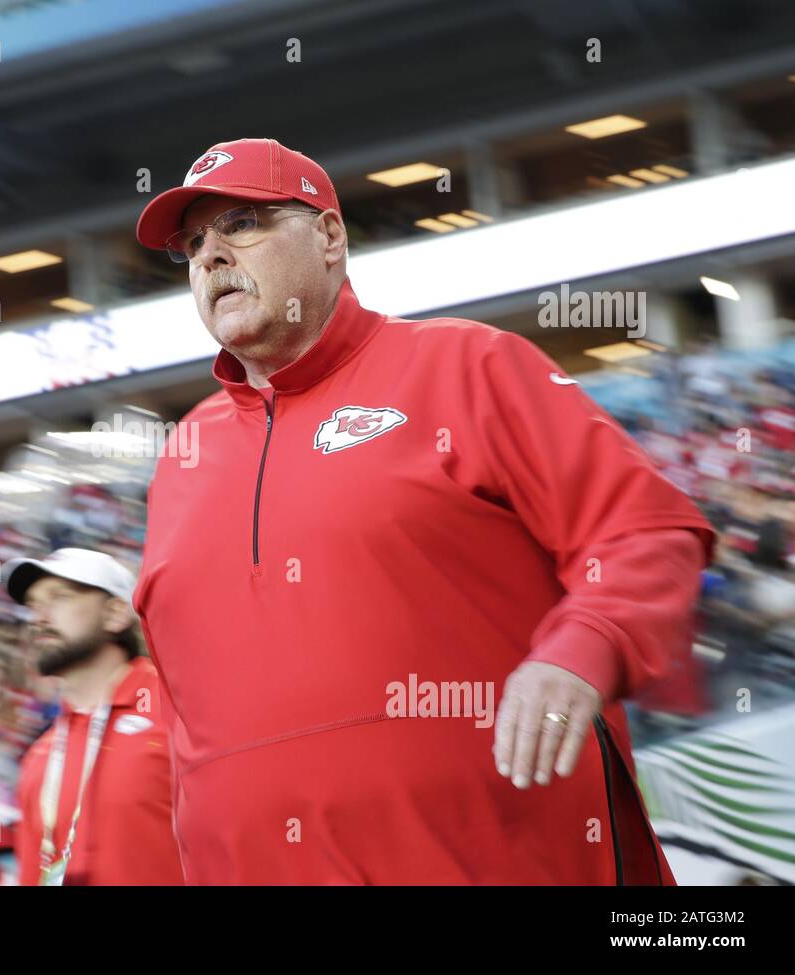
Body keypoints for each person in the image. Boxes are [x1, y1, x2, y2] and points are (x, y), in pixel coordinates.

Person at [131, 138, 716, 884]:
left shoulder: (469, 366)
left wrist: (584, 647)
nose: (211, 255)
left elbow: (648, 530)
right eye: (192, 244)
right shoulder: (182, 457)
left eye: (242, 222)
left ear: (330, 237)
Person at [2, 549, 183, 885]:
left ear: (115, 613)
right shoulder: (40, 756)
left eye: (59, 597)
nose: (37, 617)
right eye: (31, 604)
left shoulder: (178, 714)